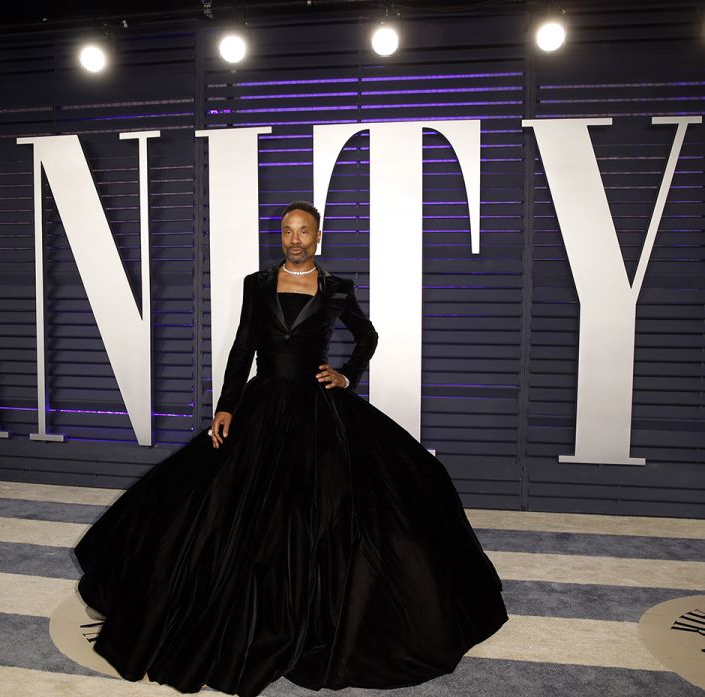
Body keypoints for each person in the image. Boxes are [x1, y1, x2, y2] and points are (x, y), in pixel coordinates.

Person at [73, 200, 508, 697]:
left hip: (315, 410)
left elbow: (367, 337)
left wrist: (347, 376)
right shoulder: (257, 285)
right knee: (211, 499)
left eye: (304, 231)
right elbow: (242, 347)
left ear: (318, 237)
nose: (295, 238)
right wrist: (227, 405)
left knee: (329, 505)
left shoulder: (337, 288)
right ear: (281, 236)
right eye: (287, 230)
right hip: (261, 404)